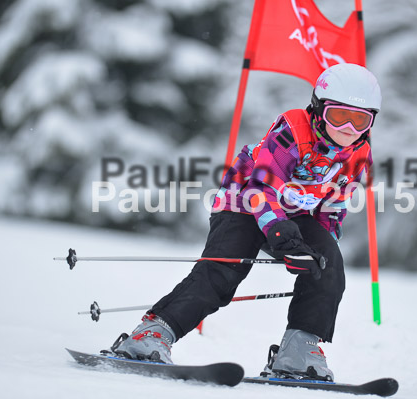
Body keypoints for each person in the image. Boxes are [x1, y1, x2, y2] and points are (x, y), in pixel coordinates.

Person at [109, 63, 382, 381]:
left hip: (295, 214)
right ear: (319, 109)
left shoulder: (359, 154)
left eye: (361, 119)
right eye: (339, 115)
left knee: (328, 266)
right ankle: (151, 334)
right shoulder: (292, 130)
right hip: (244, 202)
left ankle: (298, 352)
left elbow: (332, 207)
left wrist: (320, 247)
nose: (349, 127)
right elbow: (261, 188)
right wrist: (281, 233)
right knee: (224, 269)